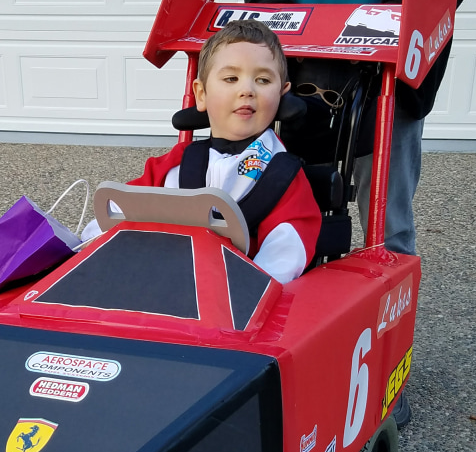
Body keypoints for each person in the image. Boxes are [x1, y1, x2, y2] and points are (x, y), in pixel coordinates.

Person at [228, 0, 476, 425]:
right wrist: (280, 18)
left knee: (386, 230)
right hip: (290, 57)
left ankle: (382, 379)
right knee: (273, 215)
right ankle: (274, 371)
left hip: (390, 52)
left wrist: (405, 6)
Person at [82, 20, 322, 284]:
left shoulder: (282, 175)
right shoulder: (176, 163)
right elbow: (123, 206)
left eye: (263, 80)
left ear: (282, 93)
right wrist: (91, 243)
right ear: (201, 93)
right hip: (167, 283)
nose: (247, 90)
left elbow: (286, 248)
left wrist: (250, 289)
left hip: (237, 297)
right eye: (231, 78)